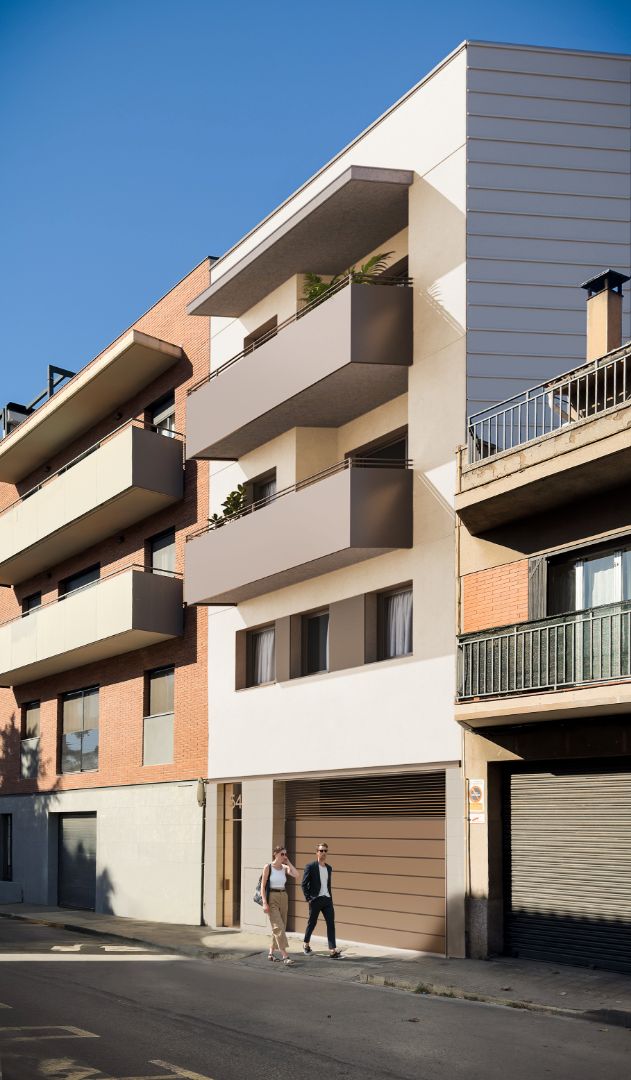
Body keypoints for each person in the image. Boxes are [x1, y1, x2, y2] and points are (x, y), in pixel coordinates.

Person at [301, 842, 342, 958]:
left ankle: (332, 950)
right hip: (315, 899)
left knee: (331, 924)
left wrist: (330, 898)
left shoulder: (329, 868)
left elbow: (327, 885)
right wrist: (309, 898)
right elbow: (304, 884)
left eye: (325, 851)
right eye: (321, 850)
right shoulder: (311, 866)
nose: (323, 853)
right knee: (312, 923)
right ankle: (306, 944)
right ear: (317, 852)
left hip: (327, 899)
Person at [261, 844, 298, 965]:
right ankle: (285, 956)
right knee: (279, 927)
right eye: (282, 854)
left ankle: (271, 953)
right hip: (272, 897)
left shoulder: (284, 867)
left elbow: (296, 875)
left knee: (279, 927)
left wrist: (289, 862)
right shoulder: (268, 867)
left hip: (284, 896)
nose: (284, 856)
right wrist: (264, 902)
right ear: (275, 854)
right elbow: (262, 886)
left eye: (285, 854)